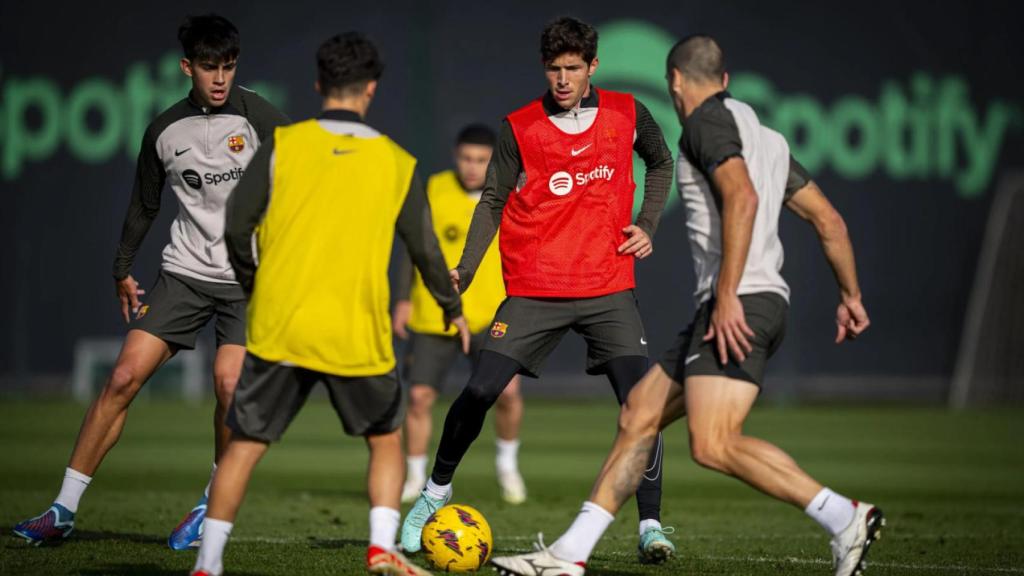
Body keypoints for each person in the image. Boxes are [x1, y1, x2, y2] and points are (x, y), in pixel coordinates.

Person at [490, 35, 884, 576]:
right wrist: (852, 295)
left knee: (714, 443)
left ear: (675, 80)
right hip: (748, 302)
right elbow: (828, 219)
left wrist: (725, 298)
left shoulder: (703, 123)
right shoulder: (764, 136)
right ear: (724, 79)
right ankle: (568, 555)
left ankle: (845, 516)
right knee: (639, 416)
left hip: (737, 305)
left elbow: (741, 197)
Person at [189, 32, 469, 576]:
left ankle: (208, 563)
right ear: (371, 89)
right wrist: (451, 308)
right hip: (355, 331)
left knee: (244, 444)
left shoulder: (283, 146)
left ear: (319, 84)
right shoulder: (397, 162)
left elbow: (236, 224)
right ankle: (381, 548)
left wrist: (254, 283)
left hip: (281, 325)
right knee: (386, 441)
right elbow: (426, 249)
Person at [401, 16, 678, 563]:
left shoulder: (627, 113)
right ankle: (433, 494)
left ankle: (650, 524)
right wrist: (468, 266)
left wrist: (647, 224)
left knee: (640, 405)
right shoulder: (521, 126)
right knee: (480, 391)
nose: (562, 78)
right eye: (553, 68)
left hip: (606, 284)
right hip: (536, 285)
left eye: (573, 68)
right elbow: (493, 200)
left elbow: (661, 161)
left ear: (592, 66)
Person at [12, 13, 289, 550]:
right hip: (184, 273)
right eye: (208, 66)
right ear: (187, 66)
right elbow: (145, 204)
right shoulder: (164, 130)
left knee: (230, 387)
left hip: (248, 282)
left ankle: (213, 500)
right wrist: (122, 269)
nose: (219, 78)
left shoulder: (260, 116)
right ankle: (62, 509)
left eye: (228, 66)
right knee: (121, 378)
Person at [393, 124, 527, 505]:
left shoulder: (508, 194)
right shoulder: (434, 188)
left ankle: (507, 467)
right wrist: (402, 299)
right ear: (456, 155)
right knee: (419, 397)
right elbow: (413, 246)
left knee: (509, 394)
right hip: (436, 310)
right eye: (466, 158)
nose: (472, 167)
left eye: (481, 160)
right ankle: (415, 475)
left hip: (492, 311)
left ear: (492, 161)